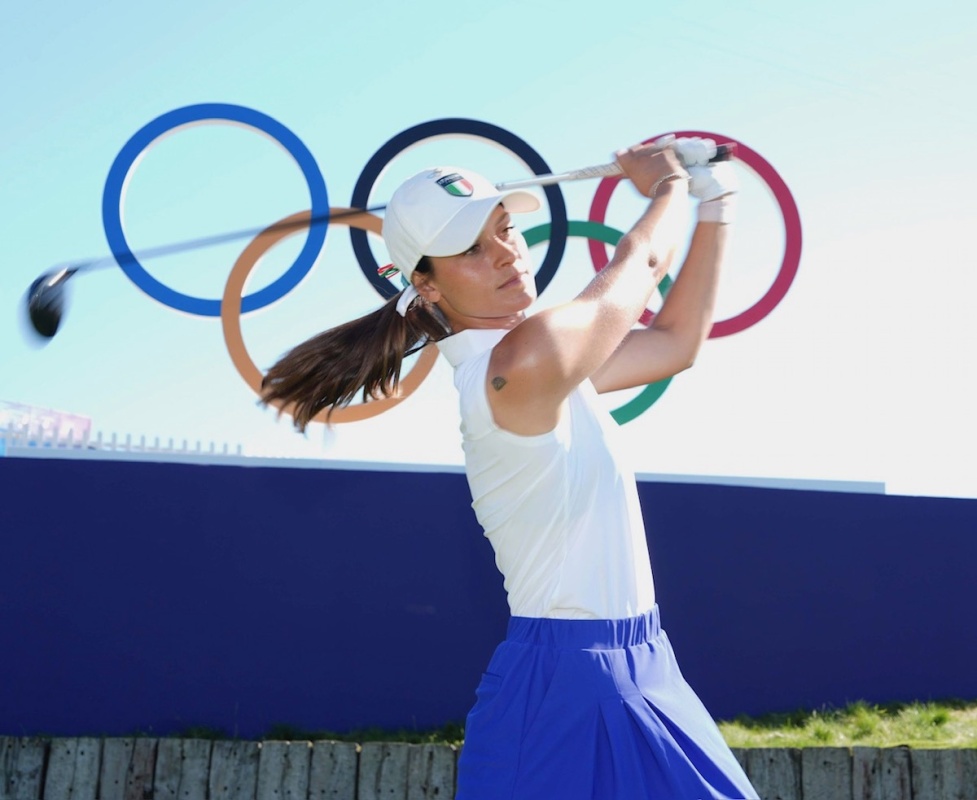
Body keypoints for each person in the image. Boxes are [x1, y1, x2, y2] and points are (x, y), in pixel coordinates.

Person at [261, 137, 757, 799]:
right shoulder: (517, 368)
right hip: (560, 694)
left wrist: (716, 201)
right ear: (425, 284)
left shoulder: (541, 366)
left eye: (505, 229)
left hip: (644, 665)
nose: (505, 254)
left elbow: (674, 342)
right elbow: (639, 264)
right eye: (470, 248)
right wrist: (668, 187)